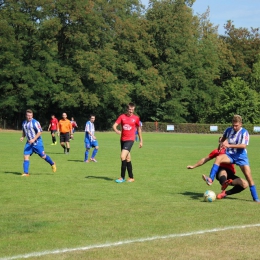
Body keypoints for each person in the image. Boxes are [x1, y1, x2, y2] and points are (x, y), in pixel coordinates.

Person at [202, 115, 260, 202]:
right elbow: (223, 139)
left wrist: (229, 145)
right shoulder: (228, 130)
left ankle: (255, 198)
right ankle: (210, 179)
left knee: (248, 177)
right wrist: (220, 145)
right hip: (230, 155)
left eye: (236, 125)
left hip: (241, 157)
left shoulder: (244, 132)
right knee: (218, 158)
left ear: (241, 124)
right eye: (233, 125)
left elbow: (243, 146)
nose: (234, 127)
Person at [20, 109, 56, 176]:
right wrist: (22, 137)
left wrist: (34, 139)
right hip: (29, 143)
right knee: (26, 156)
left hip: (37, 143)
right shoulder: (24, 123)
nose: (29, 117)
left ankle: (52, 163)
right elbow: (24, 131)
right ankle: (26, 173)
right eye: (28, 115)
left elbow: (40, 132)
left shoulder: (35, 122)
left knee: (43, 156)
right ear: (26, 116)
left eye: (31, 115)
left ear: (32, 115)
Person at [113, 102, 143, 183]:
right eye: (130, 110)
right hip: (122, 140)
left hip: (130, 139)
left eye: (132, 110)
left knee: (122, 156)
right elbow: (114, 125)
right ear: (127, 109)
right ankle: (131, 177)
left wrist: (141, 141)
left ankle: (122, 177)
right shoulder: (122, 117)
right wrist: (116, 130)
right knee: (128, 158)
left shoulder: (136, 118)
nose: (131, 111)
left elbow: (139, 129)